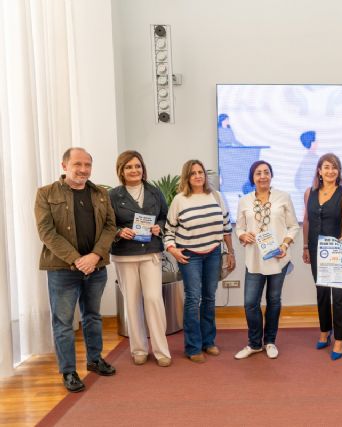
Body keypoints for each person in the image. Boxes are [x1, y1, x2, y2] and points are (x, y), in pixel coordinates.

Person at [34, 147, 117, 393]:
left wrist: (94, 256)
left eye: (87, 165)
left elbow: (110, 227)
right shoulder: (45, 194)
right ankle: (69, 371)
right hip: (62, 269)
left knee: (92, 316)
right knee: (63, 322)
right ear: (64, 166)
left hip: (96, 267)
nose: (83, 170)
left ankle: (95, 360)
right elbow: (46, 232)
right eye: (77, 164)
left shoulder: (101, 193)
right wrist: (77, 259)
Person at [164, 160, 236, 363]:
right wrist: (173, 251)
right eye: (193, 173)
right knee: (193, 299)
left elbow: (226, 226)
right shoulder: (179, 200)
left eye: (201, 172)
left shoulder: (216, 196)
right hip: (190, 256)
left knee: (210, 298)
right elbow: (168, 231)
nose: (198, 176)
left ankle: (208, 342)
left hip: (213, 253)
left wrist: (230, 252)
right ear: (187, 177)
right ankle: (193, 347)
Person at [109, 150, 171, 367]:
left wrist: (159, 227)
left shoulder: (154, 192)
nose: (134, 170)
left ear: (143, 168)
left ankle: (161, 349)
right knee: (132, 302)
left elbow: (165, 216)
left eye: (137, 166)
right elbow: (107, 225)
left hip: (151, 252)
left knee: (154, 299)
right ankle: (138, 348)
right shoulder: (113, 195)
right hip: (125, 255)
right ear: (121, 171)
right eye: (129, 167)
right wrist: (119, 231)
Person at [234, 160, 300, 360]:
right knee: (250, 303)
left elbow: (294, 226)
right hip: (254, 259)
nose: (262, 176)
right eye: (258, 173)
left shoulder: (284, 197)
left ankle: (270, 341)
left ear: (271, 175)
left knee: (274, 301)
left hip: (278, 258)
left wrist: (285, 245)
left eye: (266, 172)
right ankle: (254, 344)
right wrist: (242, 235)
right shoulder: (244, 200)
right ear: (252, 178)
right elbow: (239, 227)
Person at [302, 153, 342, 360]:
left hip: (338, 249)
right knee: (322, 292)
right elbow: (306, 220)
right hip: (316, 250)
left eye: (335, 167)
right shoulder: (309, 193)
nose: (331, 171)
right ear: (319, 170)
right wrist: (305, 246)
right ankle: (325, 331)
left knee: (340, 296)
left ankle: (339, 340)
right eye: (326, 167)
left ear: (338, 171)